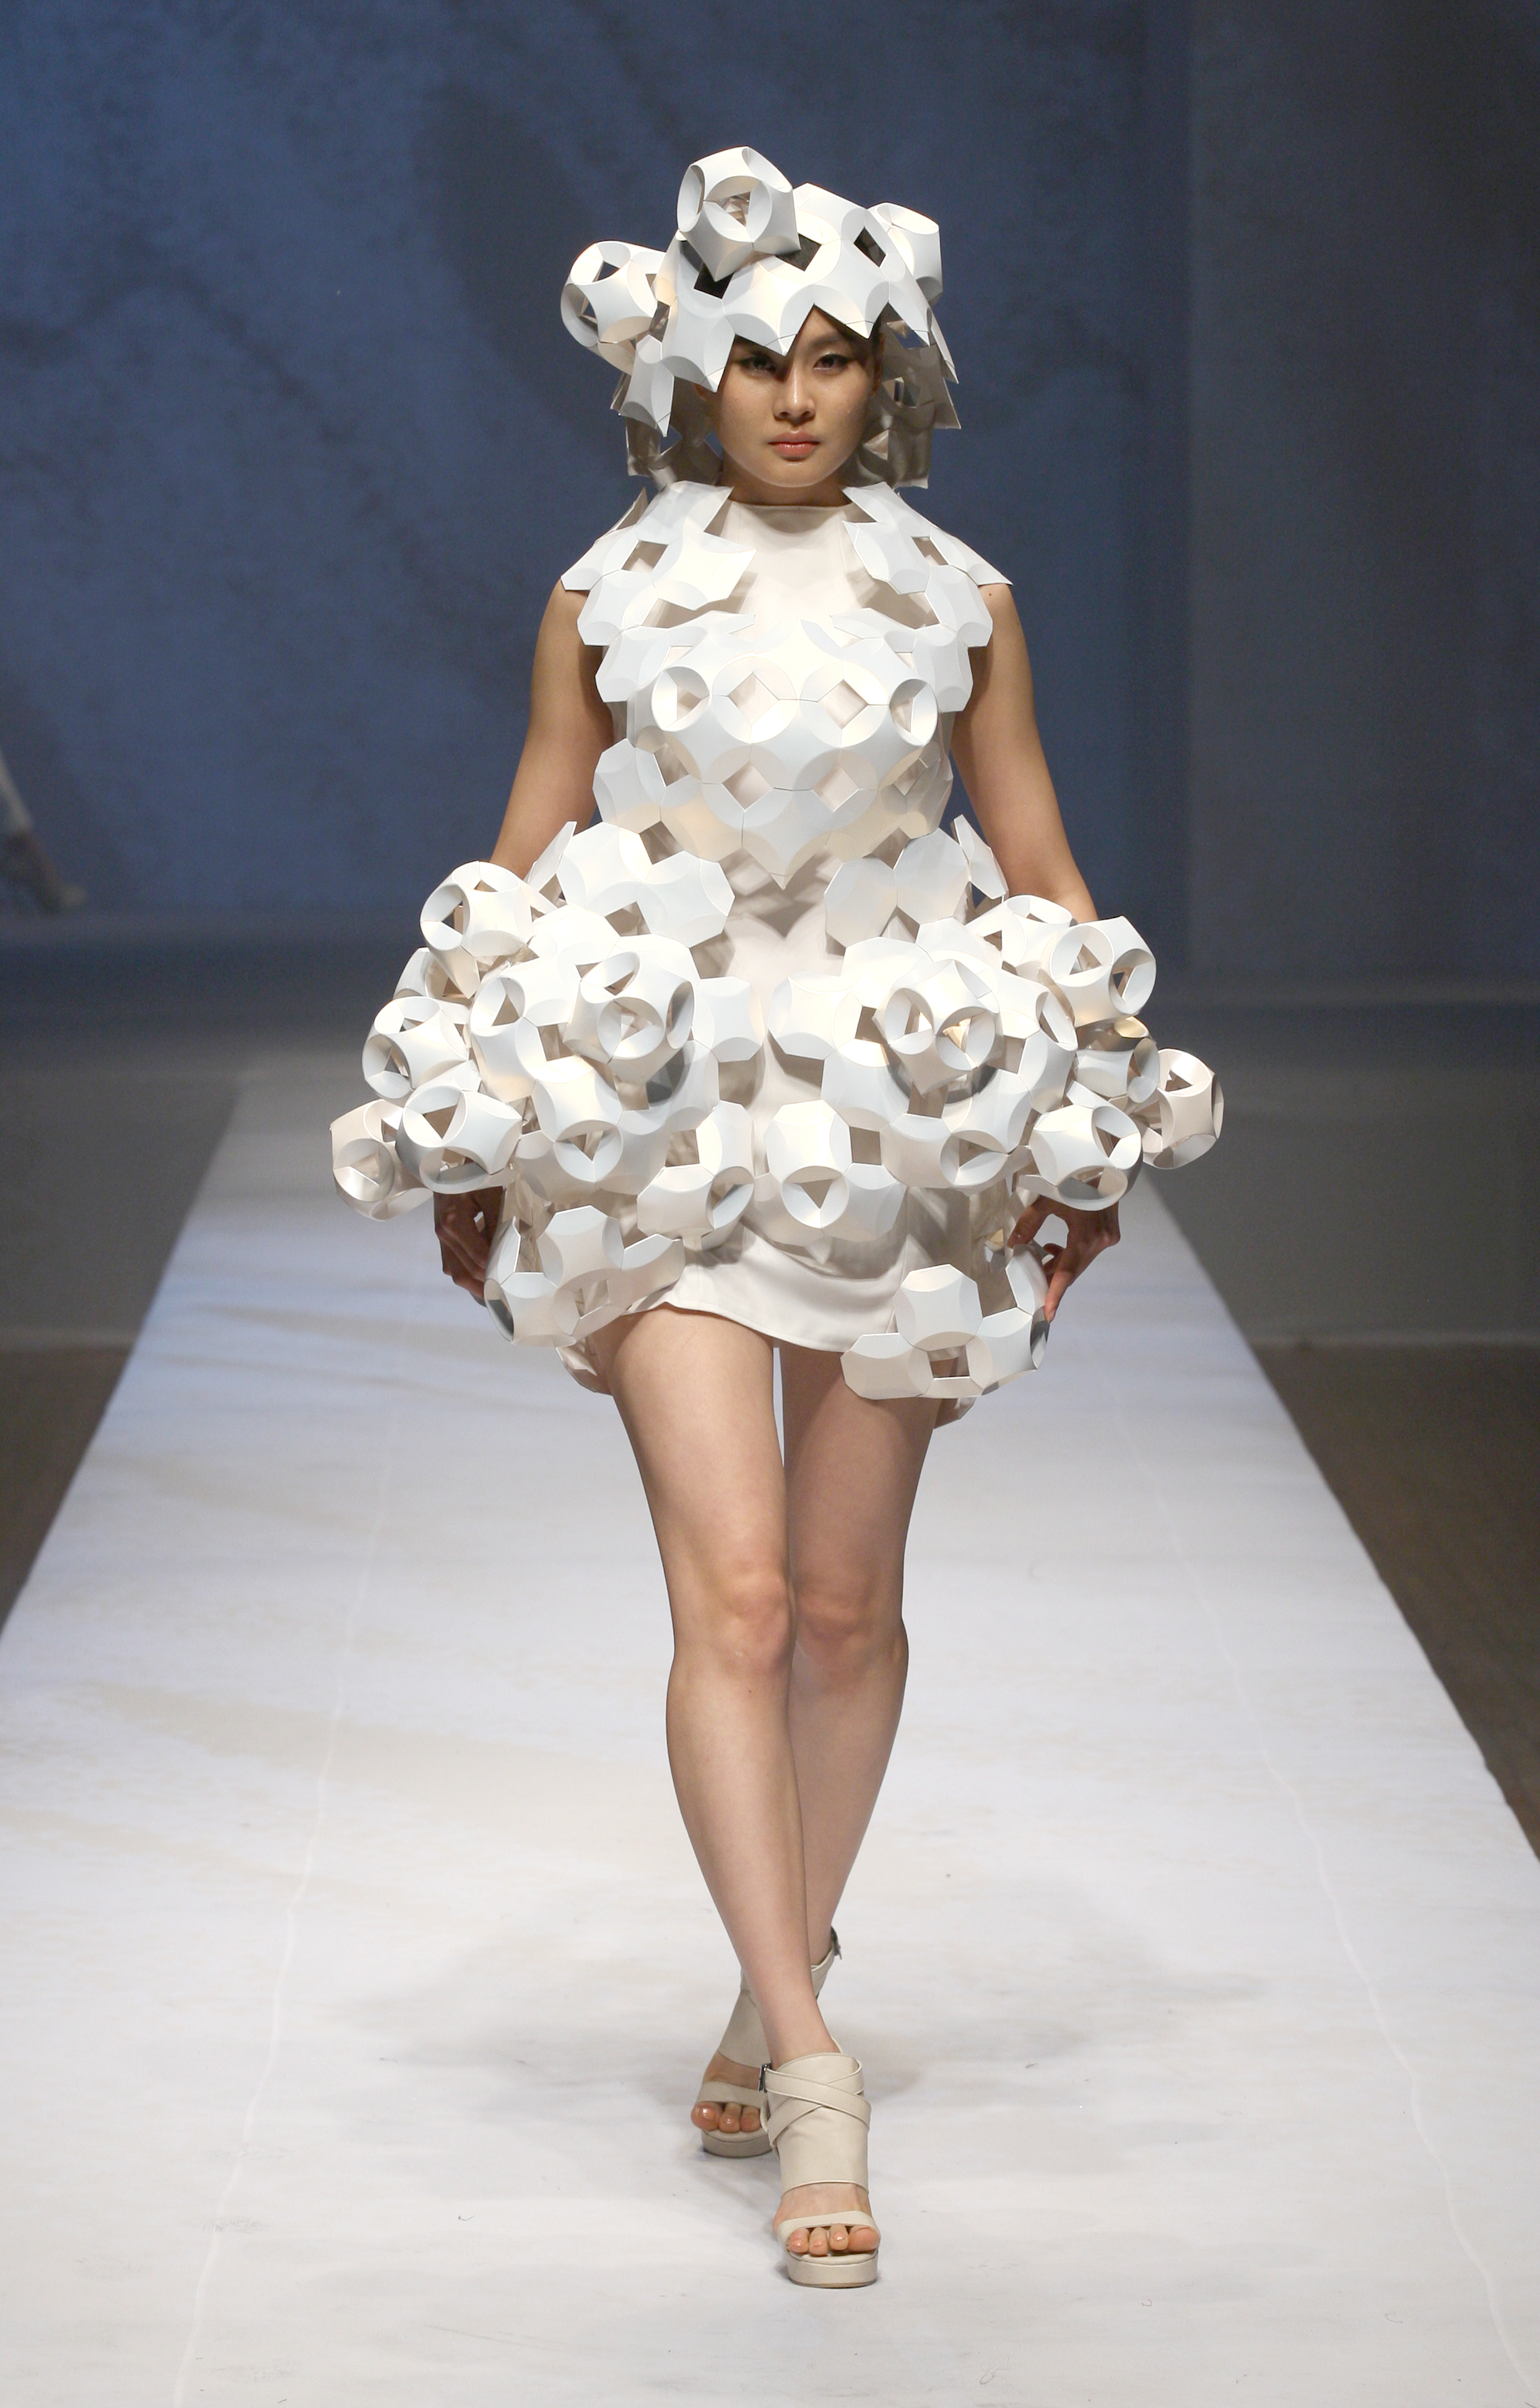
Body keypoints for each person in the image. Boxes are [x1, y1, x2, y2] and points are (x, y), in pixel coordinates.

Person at [333, 150, 1217, 2288]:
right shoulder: (601, 595)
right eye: (762, 361)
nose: (798, 396)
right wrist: (467, 1123)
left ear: (886, 374)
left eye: (835, 358)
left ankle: (771, 1963)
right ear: (694, 379)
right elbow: (525, 855)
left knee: (840, 1604)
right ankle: (817, 2066)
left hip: (900, 1107)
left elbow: (1041, 866)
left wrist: (1088, 1134)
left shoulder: (966, 599)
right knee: (729, 1595)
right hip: (651, 1104)